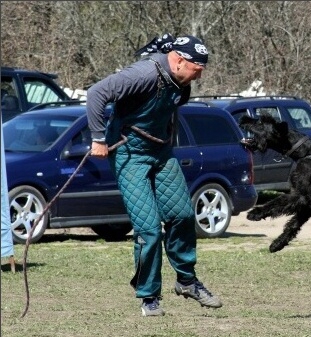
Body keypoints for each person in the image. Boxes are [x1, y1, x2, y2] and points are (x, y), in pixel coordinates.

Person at [86, 33, 222, 316]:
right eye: (196, 70)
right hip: (129, 154)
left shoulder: (180, 82)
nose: (198, 77)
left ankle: (187, 281)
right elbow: (96, 93)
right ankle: (149, 297)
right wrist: (99, 139)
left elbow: (167, 112)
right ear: (180, 61)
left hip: (161, 152)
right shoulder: (143, 74)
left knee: (183, 215)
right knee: (148, 229)